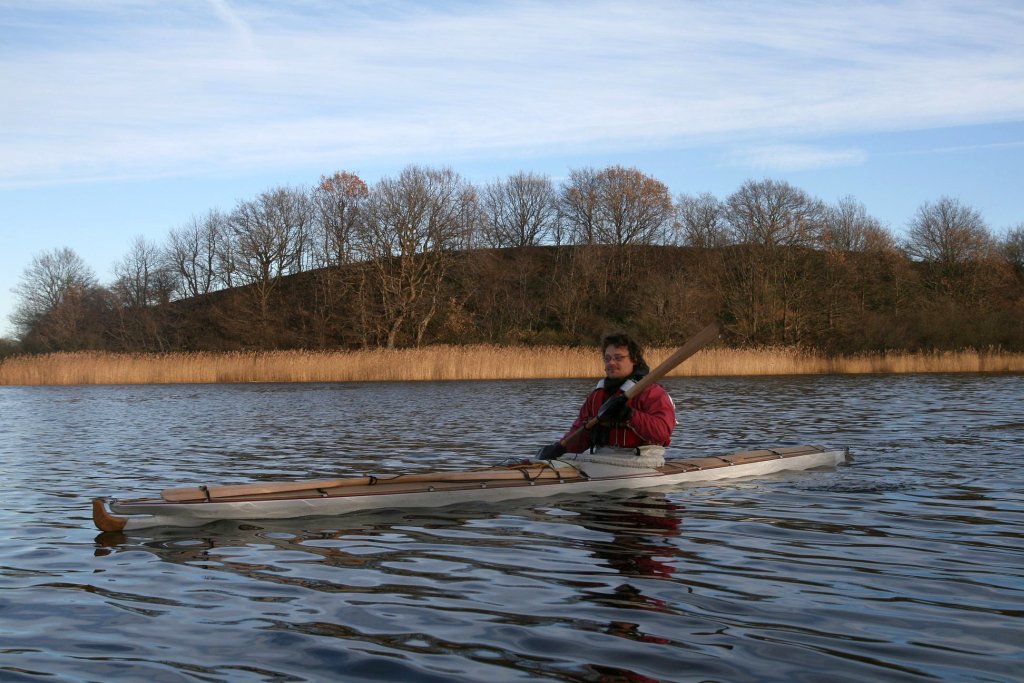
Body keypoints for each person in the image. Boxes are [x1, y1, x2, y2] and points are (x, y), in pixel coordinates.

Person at [537, 332, 676, 461]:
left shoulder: (652, 392)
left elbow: (662, 433)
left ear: (634, 360)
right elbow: (579, 432)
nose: (611, 363)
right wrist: (560, 449)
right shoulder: (596, 396)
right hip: (603, 460)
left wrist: (629, 415)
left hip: (643, 461)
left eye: (618, 358)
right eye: (607, 358)